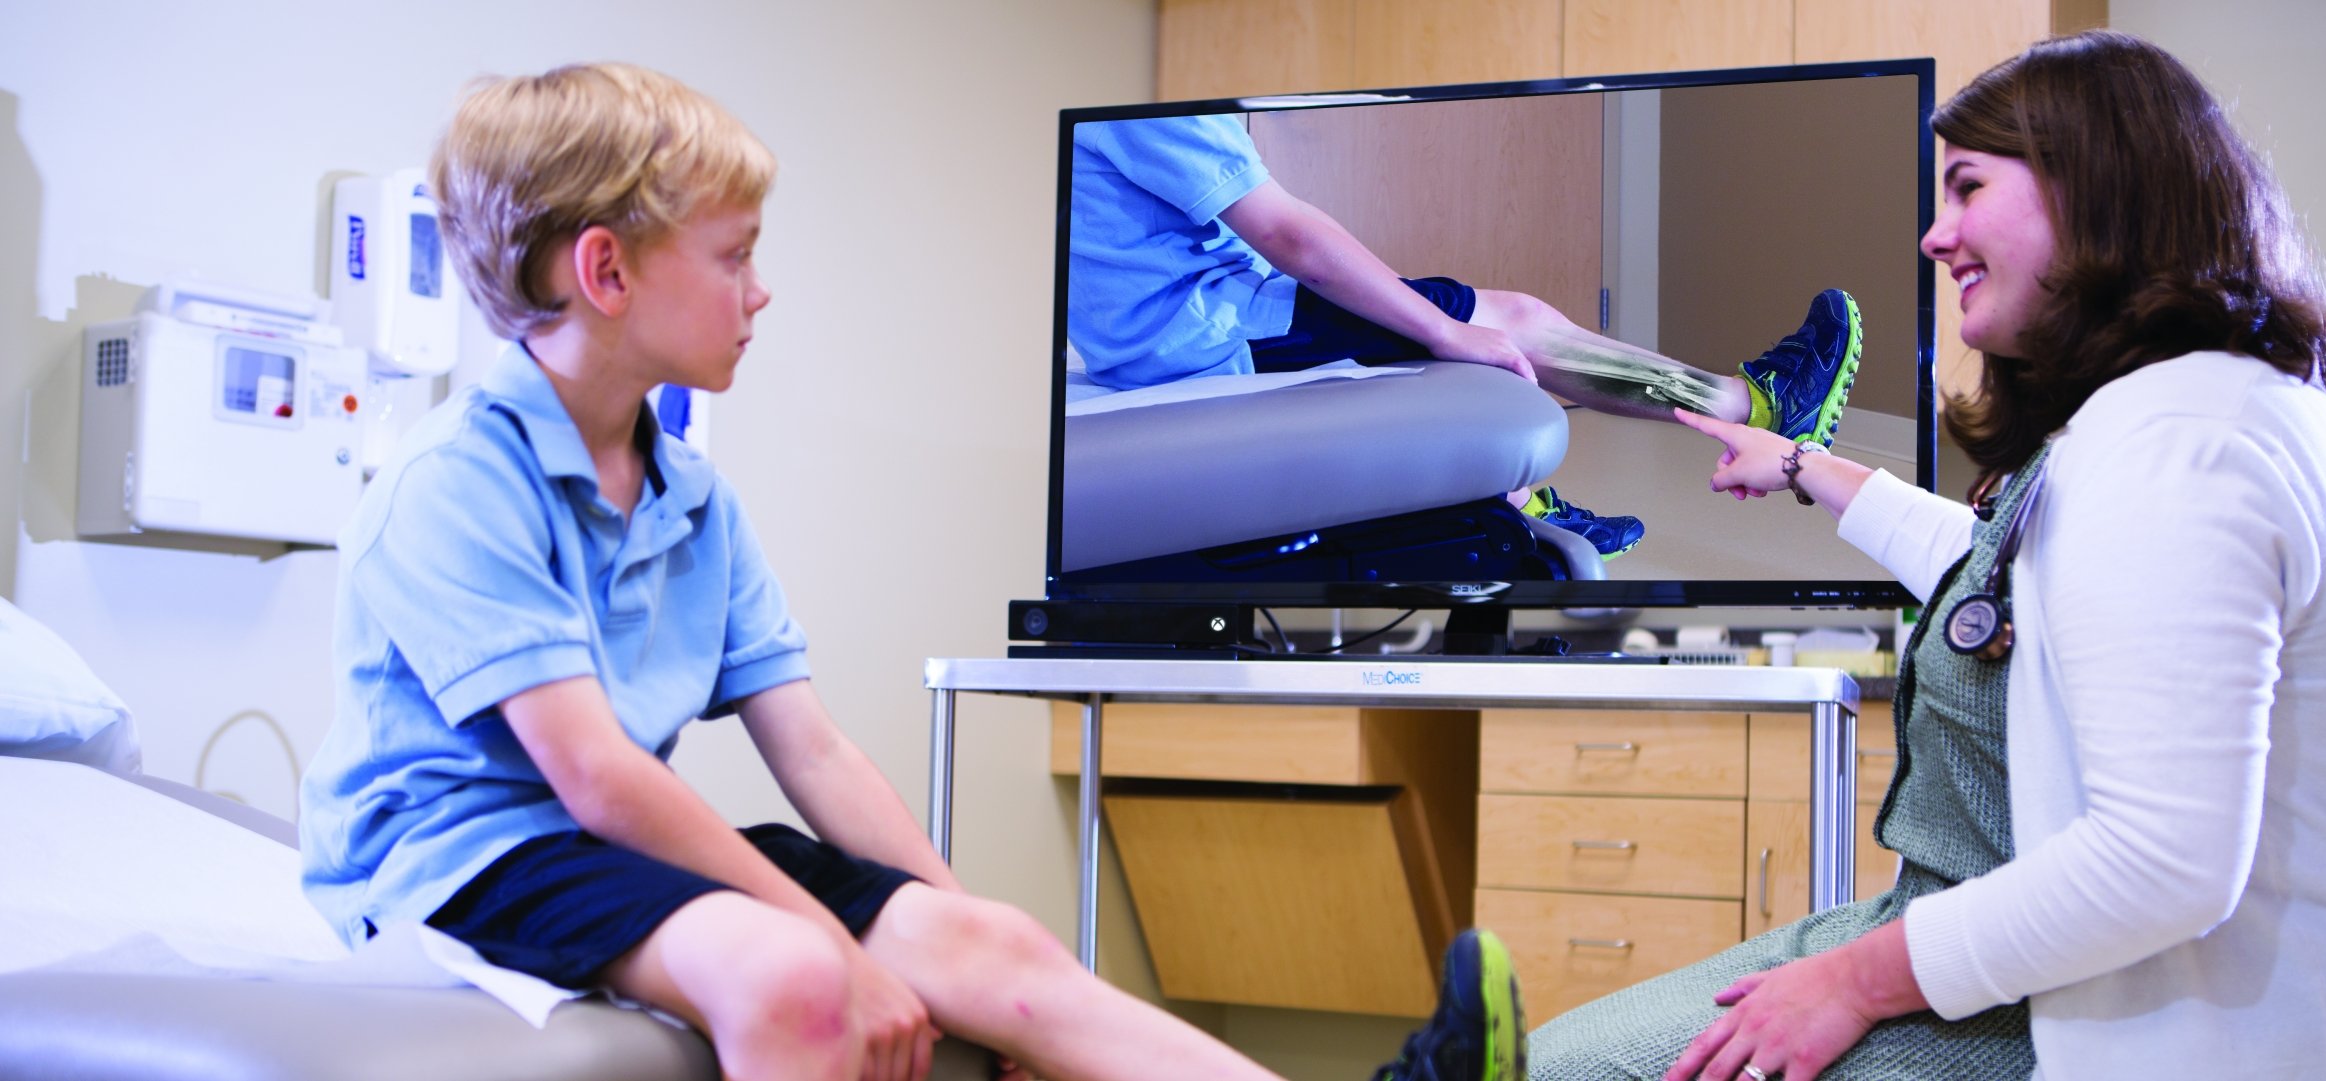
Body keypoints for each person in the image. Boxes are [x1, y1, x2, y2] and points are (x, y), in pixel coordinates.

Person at [296, 62, 1532, 1081]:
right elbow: (600, 777)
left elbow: (815, 752)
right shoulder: (457, 479)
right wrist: (831, 942)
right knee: (793, 975)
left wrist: (953, 940)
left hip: (597, 854)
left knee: (992, 942)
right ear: (608, 272)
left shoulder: (691, 496)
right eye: (732, 257)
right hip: (454, 869)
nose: (760, 289)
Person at [1533, 29, 2326, 1081]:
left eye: (1967, 188)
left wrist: (1850, 980)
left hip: (2167, 1032)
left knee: (1561, 1071)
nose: (1934, 237)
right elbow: (2015, 573)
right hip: (2105, 990)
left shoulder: (2182, 444)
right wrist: (1807, 465)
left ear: (2096, 185)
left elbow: (2163, 864)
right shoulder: (2194, 410)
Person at [1068, 113, 1865, 559]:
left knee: (1458, 315)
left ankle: (1526, 504)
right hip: (1210, 333)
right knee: (1506, 318)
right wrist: (1444, 331)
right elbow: (1291, 237)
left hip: (1168, 329)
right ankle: (1759, 405)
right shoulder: (1152, 107)